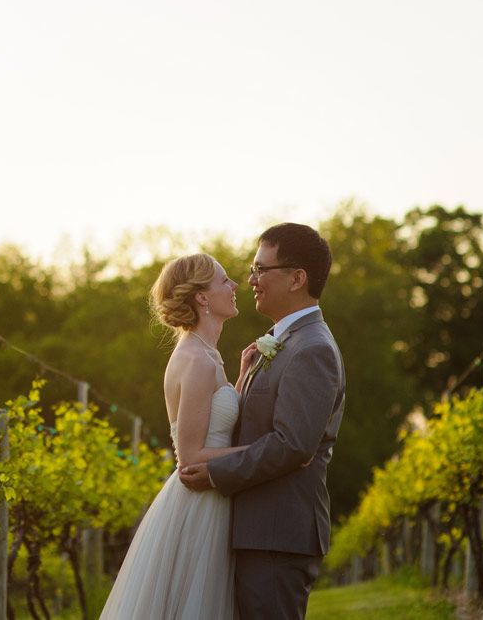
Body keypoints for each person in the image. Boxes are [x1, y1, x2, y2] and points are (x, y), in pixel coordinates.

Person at [179, 223, 345, 620]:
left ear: (296, 278)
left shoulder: (312, 349)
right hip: (256, 530)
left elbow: (292, 446)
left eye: (260, 269)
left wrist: (216, 470)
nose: (250, 280)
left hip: (276, 534)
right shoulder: (282, 342)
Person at [98, 252, 253, 620]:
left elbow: (215, 421)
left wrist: (242, 378)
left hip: (216, 494)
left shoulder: (207, 354)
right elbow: (191, 456)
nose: (234, 286)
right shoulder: (196, 360)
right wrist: (267, 450)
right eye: (223, 280)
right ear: (201, 297)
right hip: (201, 503)